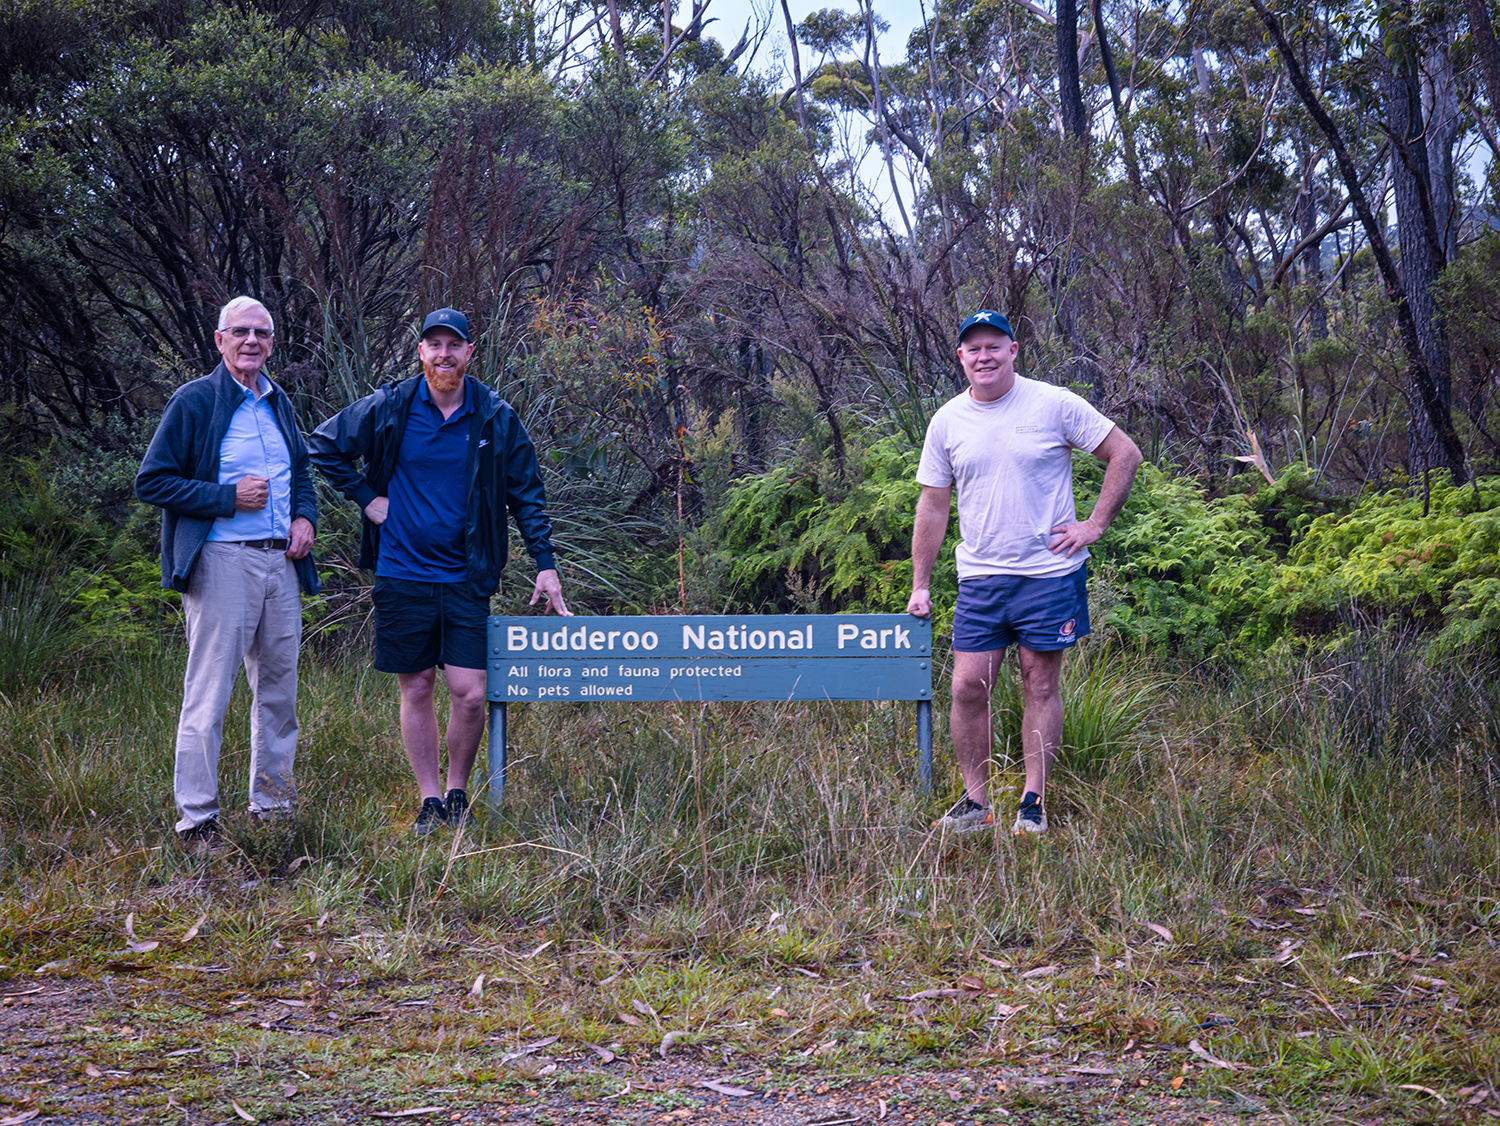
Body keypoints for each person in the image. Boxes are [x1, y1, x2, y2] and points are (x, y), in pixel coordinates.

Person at [310, 308, 570, 835]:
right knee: (418, 685)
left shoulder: (494, 417)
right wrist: (366, 498)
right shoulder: (392, 405)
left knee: (471, 692)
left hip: (467, 575)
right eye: (434, 345)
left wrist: (545, 564)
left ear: (470, 353)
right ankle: (430, 800)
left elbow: (527, 494)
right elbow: (323, 445)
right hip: (402, 571)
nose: (444, 354)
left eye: (455, 345)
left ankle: (458, 790)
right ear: (421, 351)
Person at [907, 310, 1142, 835]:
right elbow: (934, 505)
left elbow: (1124, 453)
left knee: (1039, 683)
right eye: (974, 349)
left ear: (1014, 350)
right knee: (969, 687)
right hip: (982, 578)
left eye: (995, 346)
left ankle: (1033, 802)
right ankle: (975, 802)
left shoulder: (1053, 403)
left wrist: (1094, 525)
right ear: (961, 358)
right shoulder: (947, 420)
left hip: (1049, 575)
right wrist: (920, 584)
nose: (984, 356)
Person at [136, 296, 319, 853]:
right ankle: (198, 823)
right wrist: (225, 497)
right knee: (209, 696)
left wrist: (305, 517)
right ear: (220, 340)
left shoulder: (279, 401)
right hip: (222, 561)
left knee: (278, 697)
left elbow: (302, 469)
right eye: (240, 332)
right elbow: (152, 481)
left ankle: (273, 809)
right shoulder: (194, 401)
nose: (251, 342)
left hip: (279, 565)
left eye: (261, 333)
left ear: (272, 342)